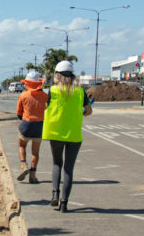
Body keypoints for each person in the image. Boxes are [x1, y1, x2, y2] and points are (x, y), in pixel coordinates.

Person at [41, 59, 92, 213]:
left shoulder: (53, 90)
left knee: (57, 163)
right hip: (74, 134)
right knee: (69, 168)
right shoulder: (80, 91)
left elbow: (47, 107)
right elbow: (88, 110)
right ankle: (64, 203)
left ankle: (54, 194)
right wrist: (79, 113)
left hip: (55, 132)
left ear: (57, 75)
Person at [15, 70, 47, 184]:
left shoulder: (23, 95)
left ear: (27, 83)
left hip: (26, 124)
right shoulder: (45, 96)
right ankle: (33, 176)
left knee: (22, 145)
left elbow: (19, 113)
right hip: (39, 125)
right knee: (35, 152)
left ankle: (23, 165)